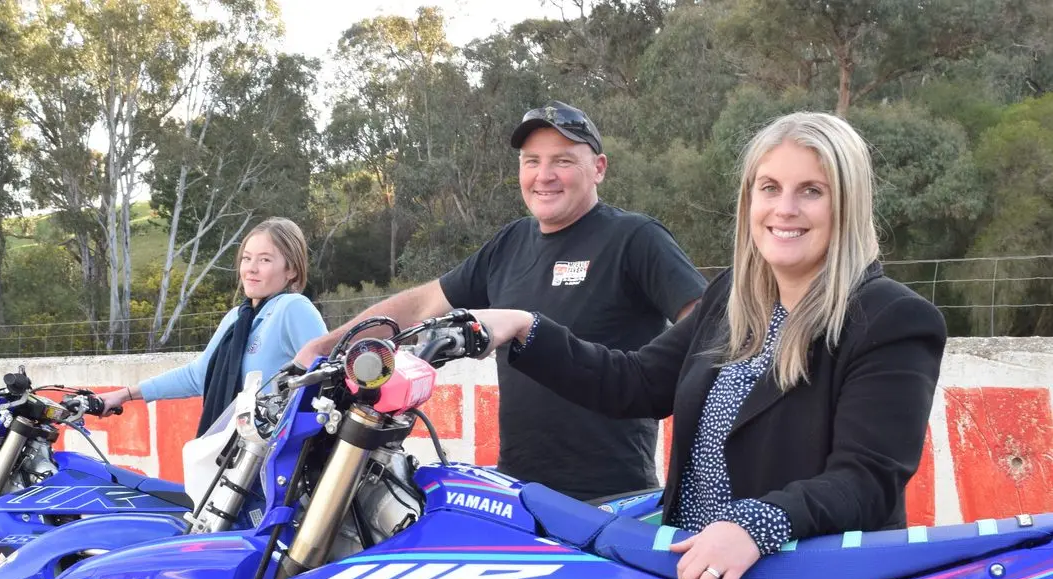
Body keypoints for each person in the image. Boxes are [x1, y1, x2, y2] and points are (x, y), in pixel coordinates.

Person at [474, 111, 946, 579]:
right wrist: (527, 328)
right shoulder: (733, 300)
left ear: (846, 203)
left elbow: (867, 476)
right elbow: (631, 381)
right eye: (767, 187)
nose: (783, 209)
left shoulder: (889, 318)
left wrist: (755, 523)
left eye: (809, 191)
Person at [300, 101, 705, 503]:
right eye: (532, 161)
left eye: (562, 161)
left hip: (610, 499)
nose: (544, 176)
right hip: (517, 495)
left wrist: (645, 380)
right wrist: (326, 346)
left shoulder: (636, 238)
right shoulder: (510, 244)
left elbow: (708, 323)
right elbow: (423, 304)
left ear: (598, 168)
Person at [98, 217, 326, 435]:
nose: (251, 269)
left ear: (292, 270)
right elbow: (197, 376)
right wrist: (124, 395)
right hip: (233, 456)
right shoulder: (236, 318)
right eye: (247, 259)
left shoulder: (292, 308)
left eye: (265, 260)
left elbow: (326, 378)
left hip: (275, 458)